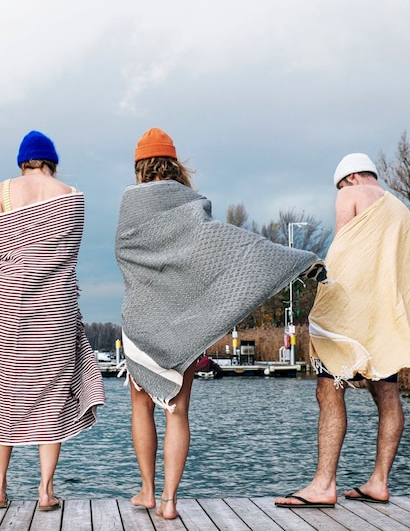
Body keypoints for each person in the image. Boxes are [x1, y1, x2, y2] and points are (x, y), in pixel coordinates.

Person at [116, 127, 323, 520]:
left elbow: (123, 251)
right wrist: (285, 259)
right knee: (177, 411)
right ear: (174, 163)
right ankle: (169, 502)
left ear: (140, 167)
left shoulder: (131, 203)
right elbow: (220, 248)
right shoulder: (193, 203)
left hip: (142, 319)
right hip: (182, 326)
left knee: (140, 406)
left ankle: (145, 490)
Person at [275, 153, 410, 509]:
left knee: (329, 391)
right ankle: (379, 481)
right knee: (387, 395)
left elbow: (343, 253)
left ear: (349, 179)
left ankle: (323, 484)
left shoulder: (350, 194)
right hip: (385, 323)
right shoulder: (401, 211)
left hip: (353, 316)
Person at [0, 130, 105, 512]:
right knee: (50, 398)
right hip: (54, 311)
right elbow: (67, 255)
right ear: (51, 161)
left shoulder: (3, 191)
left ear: (23, 161)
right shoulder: (71, 197)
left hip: (9, 312)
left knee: (6, 396)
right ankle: (44, 491)